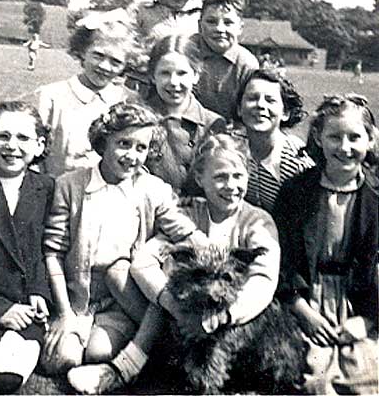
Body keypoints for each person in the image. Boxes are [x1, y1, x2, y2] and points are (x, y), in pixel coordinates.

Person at [41, 102, 199, 392]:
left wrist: (206, 242)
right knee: (62, 360)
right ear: (104, 140)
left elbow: (181, 228)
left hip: (124, 298)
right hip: (78, 298)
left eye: (141, 147)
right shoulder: (70, 185)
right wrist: (65, 314)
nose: (132, 155)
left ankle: (145, 351)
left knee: (97, 352)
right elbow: (53, 252)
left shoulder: (152, 189)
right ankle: (88, 339)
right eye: (124, 144)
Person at [273, 94, 378, 394]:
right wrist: (301, 309)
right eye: (335, 137)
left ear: (370, 140)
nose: (344, 148)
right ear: (319, 138)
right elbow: (282, 258)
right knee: (311, 374)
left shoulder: (375, 198)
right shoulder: (296, 192)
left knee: (364, 376)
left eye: (354, 137)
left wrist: (368, 320)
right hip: (303, 300)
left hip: (359, 305)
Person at [131, 133, 280, 341]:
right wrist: (174, 307)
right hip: (183, 313)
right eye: (220, 177)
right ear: (200, 179)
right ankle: (131, 361)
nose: (231, 186)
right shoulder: (187, 214)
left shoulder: (257, 221)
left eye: (238, 176)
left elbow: (263, 279)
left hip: (236, 319)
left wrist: (225, 316)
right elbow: (143, 263)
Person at [0, 101, 54, 394]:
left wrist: (39, 291)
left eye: (23, 138)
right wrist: (0, 309)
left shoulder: (46, 188)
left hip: (24, 314)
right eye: (2, 136)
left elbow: (44, 252)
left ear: (39, 144)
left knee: (8, 379)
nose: (12, 146)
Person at [34, 9, 139, 177]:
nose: (104, 66)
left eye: (115, 62)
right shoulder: (51, 96)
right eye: (98, 55)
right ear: (83, 51)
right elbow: (33, 156)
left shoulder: (128, 101)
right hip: (56, 193)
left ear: (126, 65)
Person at [144, 33, 225, 195]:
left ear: (196, 75)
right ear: (153, 76)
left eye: (182, 73)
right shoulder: (142, 118)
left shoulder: (213, 124)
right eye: (165, 73)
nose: (174, 82)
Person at [235, 68, 314, 213]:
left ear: (285, 113)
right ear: (239, 108)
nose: (260, 105)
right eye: (252, 98)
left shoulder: (298, 163)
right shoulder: (231, 149)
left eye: (270, 100)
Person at [192, 0, 259, 121]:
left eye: (228, 23)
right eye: (211, 21)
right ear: (200, 25)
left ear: (240, 27)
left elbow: (249, 111)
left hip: (230, 132)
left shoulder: (247, 64)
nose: (219, 29)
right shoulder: (186, 53)